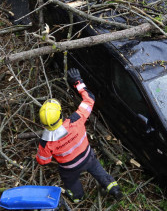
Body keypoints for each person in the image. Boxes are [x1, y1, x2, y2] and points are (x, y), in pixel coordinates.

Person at [36, 68, 122, 202]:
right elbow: (89, 100)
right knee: (99, 171)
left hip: (69, 168)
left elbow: (43, 161)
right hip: (88, 157)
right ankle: (113, 188)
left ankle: (77, 197)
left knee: (70, 182)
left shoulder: (46, 142)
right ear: (60, 115)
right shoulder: (76, 119)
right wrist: (78, 82)